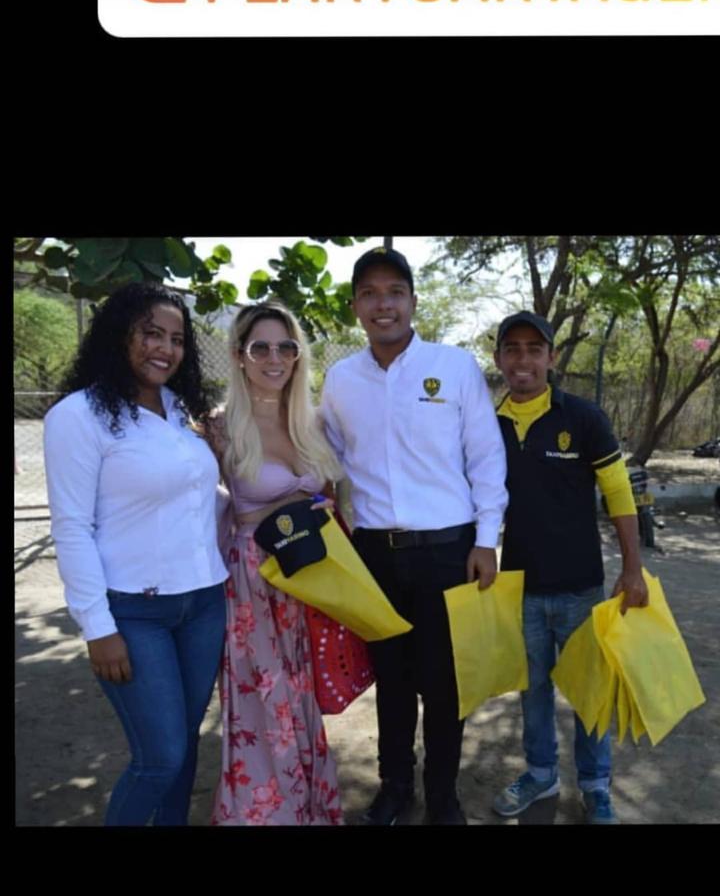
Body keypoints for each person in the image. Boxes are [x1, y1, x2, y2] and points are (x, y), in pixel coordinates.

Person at [320, 247, 508, 825]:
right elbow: (323, 458)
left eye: (394, 292)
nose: (384, 304)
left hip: (449, 552)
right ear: (356, 307)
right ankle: (394, 786)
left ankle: (443, 794)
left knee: (445, 685)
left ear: (412, 301)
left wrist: (486, 539)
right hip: (375, 556)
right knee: (393, 683)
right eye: (370, 294)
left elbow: (486, 458)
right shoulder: (340, 379)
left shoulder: (454, 367)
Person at [43, 283, 228, 827]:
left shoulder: (179, 411)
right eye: (151, 333)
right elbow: (72, 527)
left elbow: (197, 499)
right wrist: (97, 627)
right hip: (134, 612)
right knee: (159, 758)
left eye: (175, 339)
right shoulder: (78, 416)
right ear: (117, 334)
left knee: (185, 748)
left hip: (203, 604)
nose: (165, 349)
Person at [491, 311, 649, 826]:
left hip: (583, 588)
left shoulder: (584, 417)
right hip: (520, 588)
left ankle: (596, 785)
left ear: (552, 358)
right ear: (499, 359)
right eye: (512, 349)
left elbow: (618, 491)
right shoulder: (487, 424)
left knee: (588, 694)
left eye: (534, 349)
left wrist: (633, 569)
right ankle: (540, 774)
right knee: (532, 693)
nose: (523, 359)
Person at [206, 303, 345, 826]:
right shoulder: (219, 426)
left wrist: (322, 508)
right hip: (253, 584)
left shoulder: (312, 422)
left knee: (301, 697)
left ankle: (307, 807)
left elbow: (330, 492)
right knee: (263, 702)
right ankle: (262, 814)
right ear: (239, 356)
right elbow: (229, 512)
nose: (275, 357)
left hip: (309, 578)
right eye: (260, 347)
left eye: (286, 347)